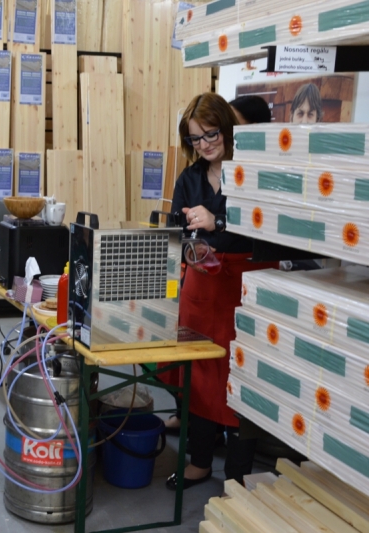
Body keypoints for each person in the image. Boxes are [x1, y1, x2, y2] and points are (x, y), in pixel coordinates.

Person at [165, 93, 276, 490]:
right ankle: (198, 462)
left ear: (227, 128)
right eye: (195, 138)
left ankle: (237, 474)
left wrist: (219, 222)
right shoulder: (189, 179)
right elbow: (176, 231)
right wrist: (187, 239)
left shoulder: (253, 171)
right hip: (201, 283)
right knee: (198, 374)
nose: (204, 144)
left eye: (211, 134)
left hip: (244, 285)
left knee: (241, 375)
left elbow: (266, 226)